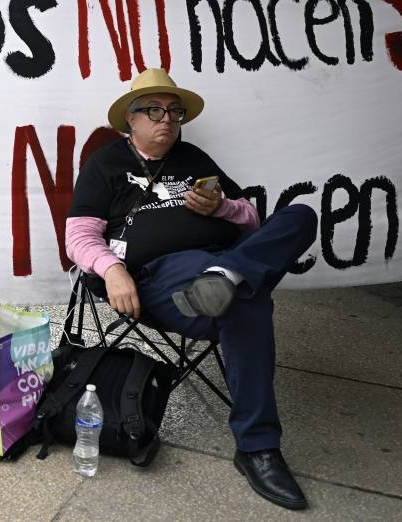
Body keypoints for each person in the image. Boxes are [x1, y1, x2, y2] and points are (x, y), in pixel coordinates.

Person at [65, 67, 317, 510]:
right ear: (131, 119)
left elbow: (252, 220)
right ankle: (257, 448)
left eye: (174, 112)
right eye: (154, 110)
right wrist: (113, 270)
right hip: (158, 278)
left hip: (218, 264)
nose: (167, 119)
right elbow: (79, 236)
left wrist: (222, 207)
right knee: (245, 303)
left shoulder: (194, 158)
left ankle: (229, 277)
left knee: (300, 216)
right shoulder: (106, 163)